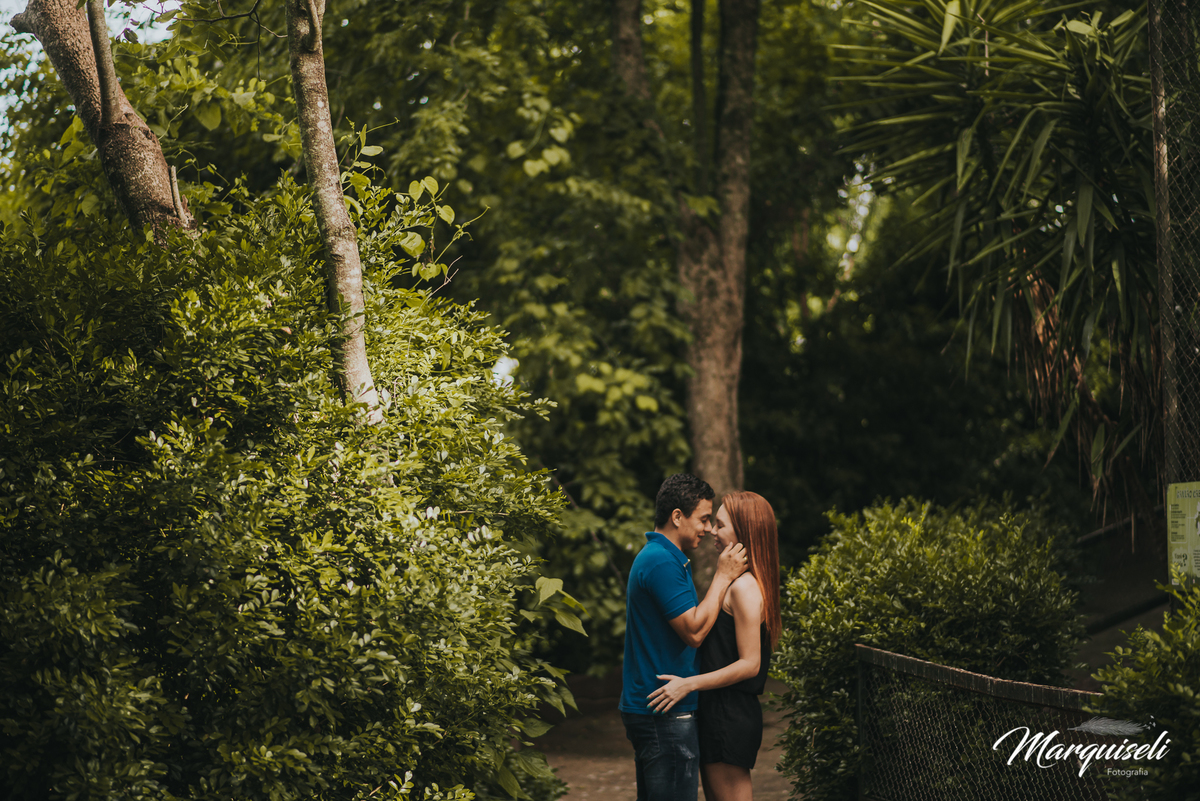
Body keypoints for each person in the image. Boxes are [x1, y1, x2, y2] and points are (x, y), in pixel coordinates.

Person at [621, 473, 749, 801]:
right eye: (704, 519)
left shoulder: (663, 558)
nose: (708, 529)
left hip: (657, 706)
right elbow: (694, 631)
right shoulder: (661, 561)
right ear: (677, 516)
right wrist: (722, 576)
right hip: (665, 709)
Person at [647, 491, 782, 801]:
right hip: (720, 711)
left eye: (720, 525)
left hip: (728, 714)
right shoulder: (738, 582)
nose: (712, 532)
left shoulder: (745, 587)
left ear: (743, 531)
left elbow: (751, 664)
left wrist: (687, 685)